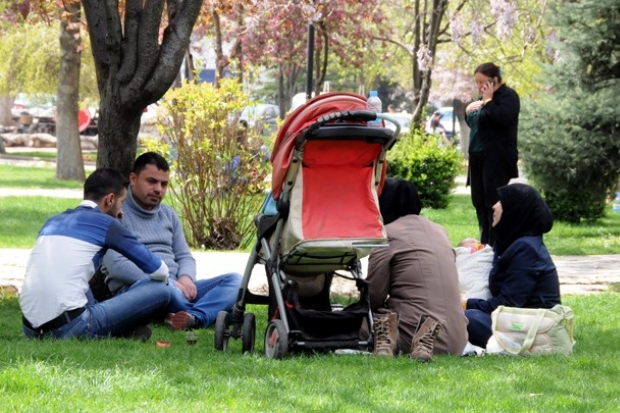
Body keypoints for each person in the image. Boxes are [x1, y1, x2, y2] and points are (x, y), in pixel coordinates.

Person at [19, 169, 171, 341]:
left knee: (79, 279)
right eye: (121, 203)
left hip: (30, 329)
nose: (122, 212)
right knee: (160, 288)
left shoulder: (52, 221)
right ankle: (121, 328)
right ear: (110, 199)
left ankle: (121, 330)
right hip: (72, 327)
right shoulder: (107, 223)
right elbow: (160, 271)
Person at [103, 152, 242, 331]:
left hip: (177, 287)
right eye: (151, 181)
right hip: (143, 288)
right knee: (163, 289)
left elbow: (184, 256)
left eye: (164, 184)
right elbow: (118, 266)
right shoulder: (115, 214)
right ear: (133, 178)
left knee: (235, 281)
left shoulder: (168, 214)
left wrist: (186, 279)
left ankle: (193, 317)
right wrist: (167, 281)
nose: (158, 189)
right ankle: (213, 313)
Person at [366, 178, 469, 361]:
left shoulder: (387, 235)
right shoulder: (439, 230)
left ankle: (389, 346)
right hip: (458, 337)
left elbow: (373, 296)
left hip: (414, 335)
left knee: (357, 321)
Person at [463, 183, 561, 348]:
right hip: (515, 320)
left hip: (528, 327)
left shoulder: (525, 249)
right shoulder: (514, 243)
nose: (494, 206)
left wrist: (466, 303)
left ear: (515, 209)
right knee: (459, 315)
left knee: (462, 317)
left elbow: (508, 303)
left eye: (501, 202)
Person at [466, 62, 520, 247]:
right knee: (479, 203)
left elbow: (501, 118)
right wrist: (469, 110)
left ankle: (496, 246)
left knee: (493, 204)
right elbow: (475, 121)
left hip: (497, 159)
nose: (479, 86)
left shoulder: (508, 97)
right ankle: (484, 242)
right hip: (477, 157)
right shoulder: (480, 97)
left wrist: (488, 101)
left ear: (494, 79)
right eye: (477, 82)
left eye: (482, 82)